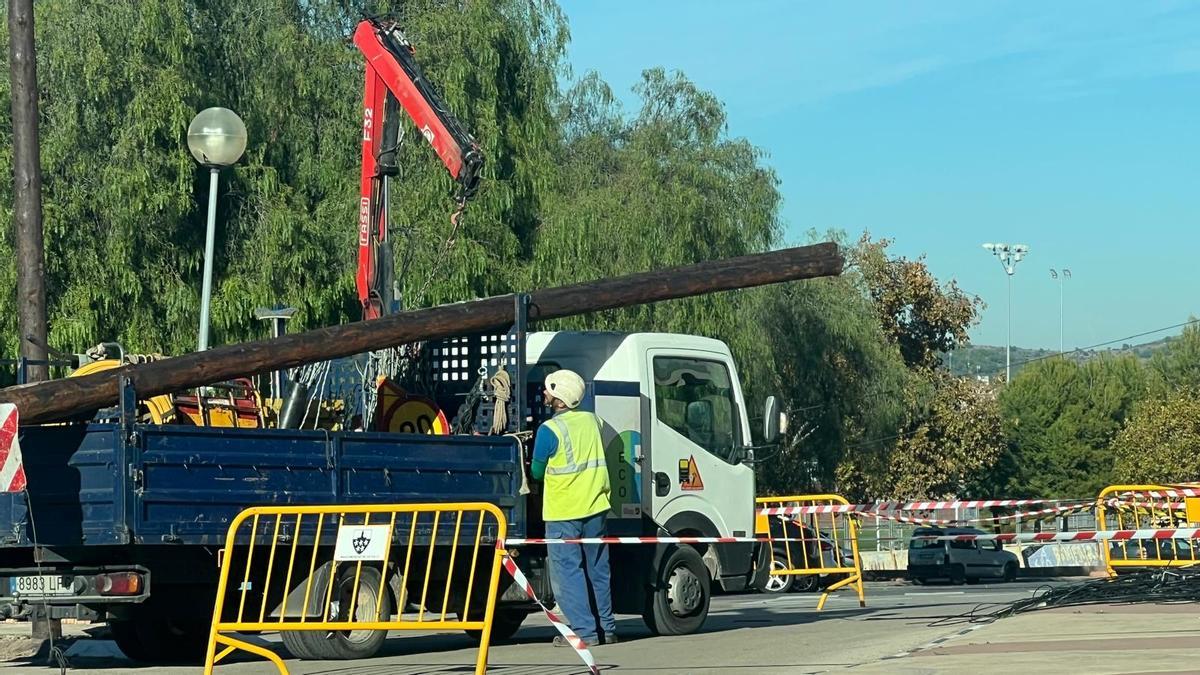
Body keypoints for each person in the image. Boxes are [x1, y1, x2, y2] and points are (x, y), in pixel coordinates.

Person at [530, 369, 618, 647]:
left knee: (568, 574)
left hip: (563, 512)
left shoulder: (549, 431)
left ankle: (584, 633)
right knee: (598, 569)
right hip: (596, 507)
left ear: (559, 399)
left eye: (549, 391)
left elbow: (536, 472)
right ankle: (607, 628)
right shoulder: (595, 421)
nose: (544, 393)